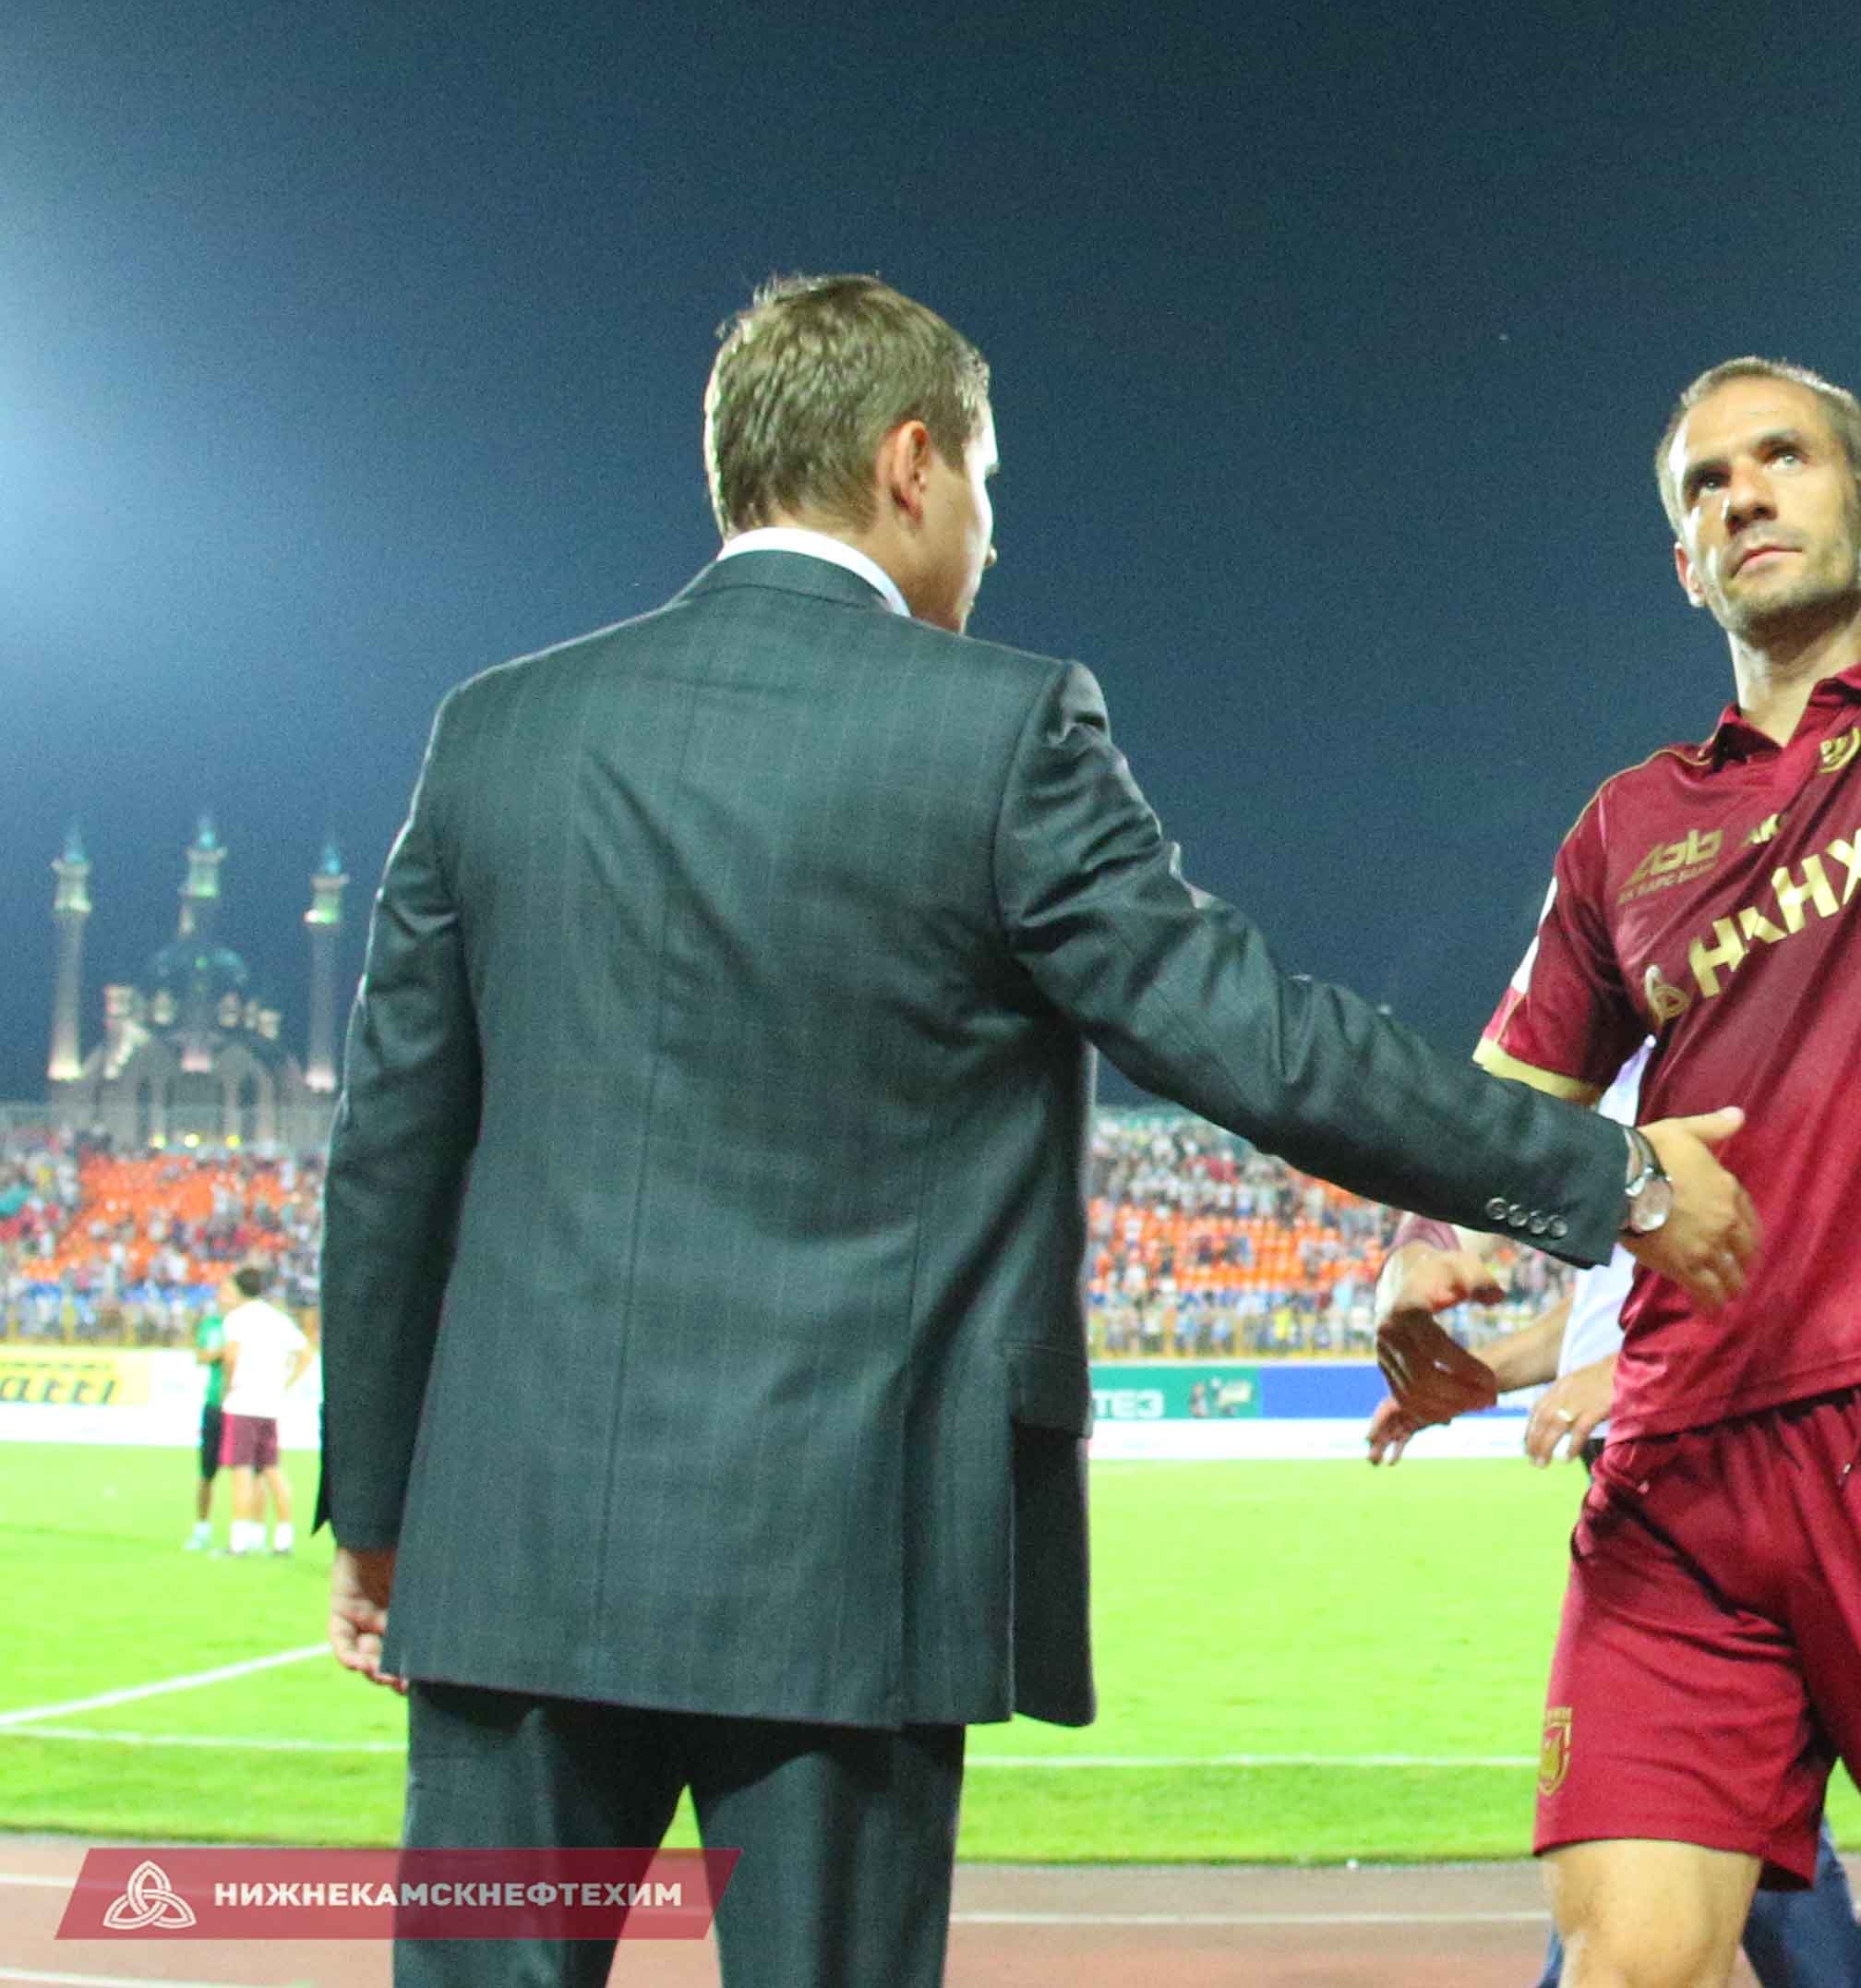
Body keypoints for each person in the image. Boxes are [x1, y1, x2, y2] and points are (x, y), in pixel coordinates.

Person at [318, 272, 1760, 1987]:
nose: (991, 536)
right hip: (841, 1567)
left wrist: (377, 1513)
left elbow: (391, 1160)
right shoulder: (991, 729)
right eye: (987, 483)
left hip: (511, 1554)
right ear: (910, 464)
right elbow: (1259, 1044)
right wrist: (1610, 1174)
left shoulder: (495, 734)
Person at [1378, 0, 1861, 1988]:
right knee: (1627, 1964)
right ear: (1678, 555)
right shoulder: (1627, 824)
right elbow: (1506, 1103)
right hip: (1680, 1453)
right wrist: (1437, 1261)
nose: (1739, 493)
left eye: (1778, 457)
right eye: (1702, 483)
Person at [1365, 1057, 1861, 1988]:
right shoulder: (1622, 1063)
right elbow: (1603, 1309)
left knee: (1667, 1805)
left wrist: (1637, 1373)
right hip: (1643, 1467)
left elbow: (1810, 1240)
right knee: (1683, 1813)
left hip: (1724, 1464)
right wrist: (1477, 1378)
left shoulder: (1732, 1042)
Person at [214, 1265, 311, 1557]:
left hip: (243, 1402)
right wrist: (285, 1384)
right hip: (270, 1404)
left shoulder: (236, 1319)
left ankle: (239, 1541)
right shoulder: (278, 1319)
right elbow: (306, 1354)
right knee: (272, 1470)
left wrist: (228, 1387)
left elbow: (231, 1356)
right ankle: (284, 1538)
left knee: (241, 1471)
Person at [185, 1295, 229, 1552]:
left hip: (242, 1405)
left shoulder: (246, 1324)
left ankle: (248, 1533)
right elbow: (200, 1356)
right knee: (207, 1471)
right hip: (214, 1404)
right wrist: (221, 1353)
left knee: (251, 1471)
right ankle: (202, 1529)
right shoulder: (211, 1325)